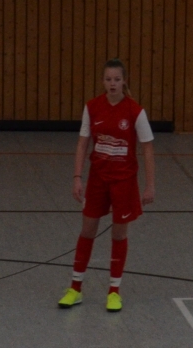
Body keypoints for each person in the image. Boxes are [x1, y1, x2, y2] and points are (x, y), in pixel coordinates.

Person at [59, 59, 155, 313]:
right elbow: (82, 143)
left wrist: (150, 186)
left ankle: (114, 291)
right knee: (87, 229)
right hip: (98, 180)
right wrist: (77, 177)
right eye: (108, 79)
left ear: (124, 82)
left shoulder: (135, 111)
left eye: (117, 79)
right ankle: (75, 288)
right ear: (103, 82)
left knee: (118, 234)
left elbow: (147, 149)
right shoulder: (92, 108)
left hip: (124, 181)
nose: (112, 83)